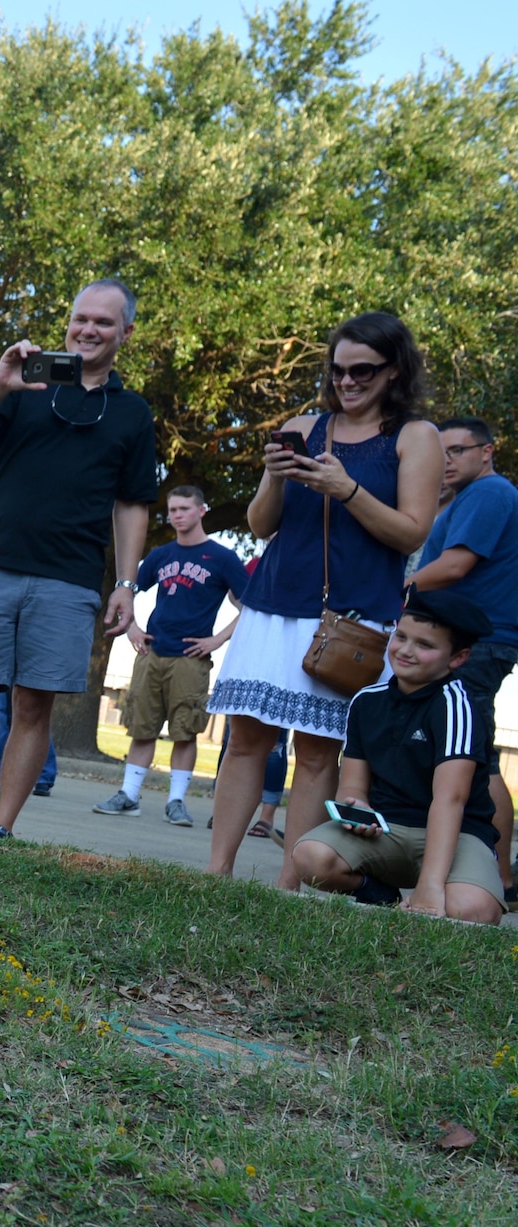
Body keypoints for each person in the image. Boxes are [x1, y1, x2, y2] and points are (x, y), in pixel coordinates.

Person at [207, 312, 441, 889]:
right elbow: (262, 526)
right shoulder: (305, 424)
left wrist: (349, 490)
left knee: (316, 753)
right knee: (246, 742)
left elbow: (413, 533)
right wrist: (273, 477)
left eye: (362, 370)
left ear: (393, 371)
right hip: (274, 602)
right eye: (337, 370)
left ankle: (288, 885)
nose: (347, 381)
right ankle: (216, 875)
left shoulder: (415, 437)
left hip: (353, 617)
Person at [0, 279, 157, 838]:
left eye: (104, 322)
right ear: (69, 322)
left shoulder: (132, 413)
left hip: (69, 581)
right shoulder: (23, 387)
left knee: (34, 707)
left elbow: (131, 505)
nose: (89, 330)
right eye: (81, 318)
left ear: (125, 332)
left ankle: (3, 825)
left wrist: (125, 583)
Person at [291, 590, 503, 923]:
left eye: (425, 645)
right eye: (401, 636)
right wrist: (356, 805)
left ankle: (434, 886)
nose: (405, 650)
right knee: (310, 857)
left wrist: (430, 885)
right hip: (386, 830)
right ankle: (377, 893)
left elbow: (450, 800)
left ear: (458, 658)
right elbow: (353, 786)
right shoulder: (366, 701)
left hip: (456, 832)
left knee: (472, 910)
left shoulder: (457, 706)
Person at [93, 486, 250, 826]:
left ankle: (176, 801)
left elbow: (250, 607)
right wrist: (131, 627)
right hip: (152, 653)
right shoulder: (160, 555)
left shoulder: (222, 558)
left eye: (184, 509)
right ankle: (129, 796)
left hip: (191, 659)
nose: (177, 515)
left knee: (185, 731)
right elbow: (127, 590)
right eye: (172, 510)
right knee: (141, 728)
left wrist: (217, 640)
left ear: (202, 511)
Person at [406, 418, 518, 895]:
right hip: (476, 639)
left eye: (456, 451)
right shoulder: (470, 497)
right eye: (441, 452)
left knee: (473, 759)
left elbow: (455, 565)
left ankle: (499, 878)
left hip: (478, 642)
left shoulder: (488, 494)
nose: (445, 461)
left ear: (487, 451)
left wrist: (395, 593)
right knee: (469, 753)